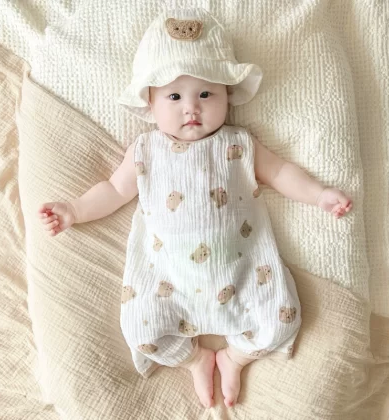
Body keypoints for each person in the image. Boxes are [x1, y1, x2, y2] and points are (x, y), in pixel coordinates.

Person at [38, 8, 353, 409]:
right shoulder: (146, 150)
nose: (192, 108)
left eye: (206, 94)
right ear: (150, 102)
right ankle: (194, 359)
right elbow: (114, 190)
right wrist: (74, 210)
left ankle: (235, 357)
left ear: (227, 95)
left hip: (243, 270)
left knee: (283, 317)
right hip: (168, 278)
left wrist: (319, 194)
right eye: (175, 96)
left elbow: (280, 173)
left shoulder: (238, 144)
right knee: (140, 331)